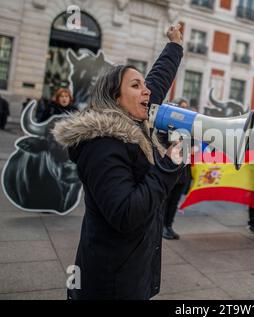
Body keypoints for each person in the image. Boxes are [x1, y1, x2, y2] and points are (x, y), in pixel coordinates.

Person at [52, 25, 184, 300]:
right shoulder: (102, 144)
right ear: (114, 99)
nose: (147, 91)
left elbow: (156, 82)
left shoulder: (133, 117)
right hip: (110, 282)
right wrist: (167, 166)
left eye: (144, 85)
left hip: (130, 271)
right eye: (136, 86)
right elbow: (125, 213)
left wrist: (174, 46)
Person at [162, 97, 191, 240]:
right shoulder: (168, 126)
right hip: (170, 171)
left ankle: (169, 226)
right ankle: (162, 226)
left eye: (186, 107)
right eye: (182, 107)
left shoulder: (189, 129)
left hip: (182, 173)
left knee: (174, 202)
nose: (184, 110)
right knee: (166, 201)